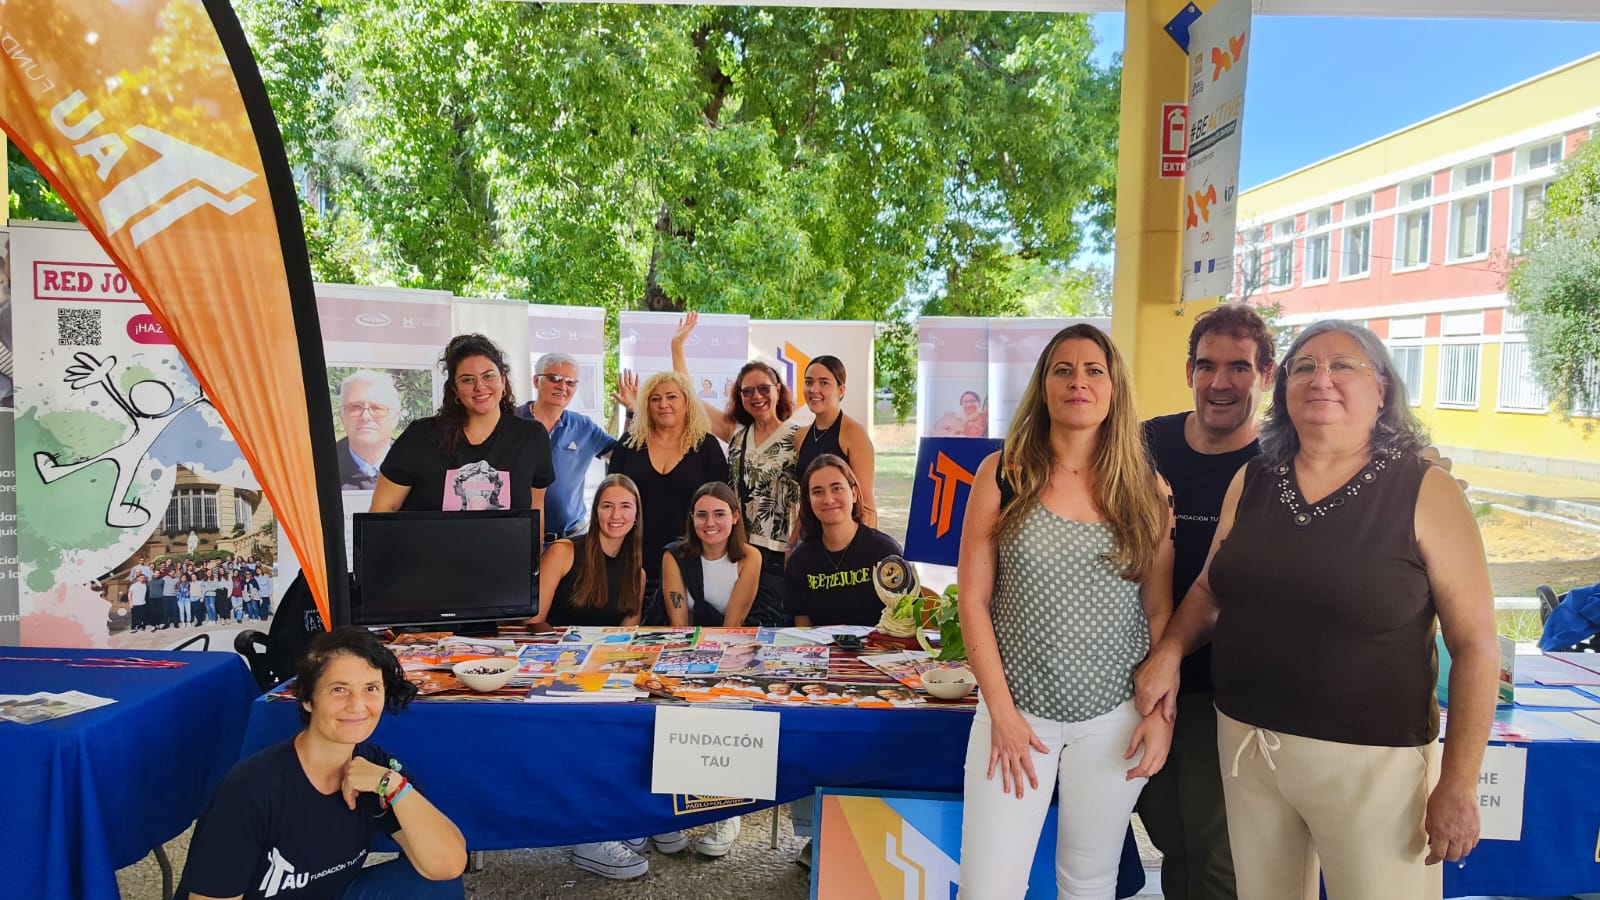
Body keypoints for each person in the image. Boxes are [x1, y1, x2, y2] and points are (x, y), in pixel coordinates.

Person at [1135, 319, 1498, 900]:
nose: (1320, 378)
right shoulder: (1252, 478)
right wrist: (1170, 652)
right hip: (1248, 745)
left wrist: (1458, 779)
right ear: (1283, 390)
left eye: (1342, 365)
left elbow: (1476, 644)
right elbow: (1208, 589)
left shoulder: (1425, 490)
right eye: (1305, 366)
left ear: (1381, 390)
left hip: (1372, 763)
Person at [955, 323, 1174, 899]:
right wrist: (1000, 712)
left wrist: (1160, 713)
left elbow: (1158, 610)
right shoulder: (1002, 474)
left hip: (1113, 717)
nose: (1079, 381)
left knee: (1089, 879)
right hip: (1015, 713)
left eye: (1093, 370)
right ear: (1044, 385)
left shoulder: (1145, 489)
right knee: (988, 885)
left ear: (1113, 387)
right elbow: (973, 600)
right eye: (1063, 369)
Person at [1134, 303, 1275, 900]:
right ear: (1189, 371)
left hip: (1223, 692)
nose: (1221, 383)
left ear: (1265, 376)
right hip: (1139, 678)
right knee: (1170, 831)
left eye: (1239, 368)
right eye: (1208, 366)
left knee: (1216, 851)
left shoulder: (1278, 467)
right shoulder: (1147, 443)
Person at [175, 627, 465, 900]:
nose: (357, 705)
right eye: (339, 689)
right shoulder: (249, 792)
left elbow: (448, 865)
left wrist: (393, 786)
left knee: (433, 885)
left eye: (371, 688)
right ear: (307, 699)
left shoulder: (374, 768)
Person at [672, 312, 796, 625]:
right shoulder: (737, 432)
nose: (756, 396)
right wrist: (677, 348)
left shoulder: (799, 435)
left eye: (764, 388)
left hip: (779, 553)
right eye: (747, 391)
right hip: (738, 548)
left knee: (768, 633)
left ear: (778, 389)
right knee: (732, 630)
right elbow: (691, 400)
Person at [372, 334, 554, 525]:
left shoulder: (531, 437)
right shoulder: (421, 436)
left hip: (505, 555)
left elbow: (536, 510)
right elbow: (382, 510)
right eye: (467, 380)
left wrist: (534, 553)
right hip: (427, 555)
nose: (480, 386)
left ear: (503, 380)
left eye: (488, 376)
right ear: (455, 389)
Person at [606, 370, 728, 621]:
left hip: (691, 559)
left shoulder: (706, 446)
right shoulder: (629, 443)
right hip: (634, 559)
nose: (663, 404)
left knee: (682, 634)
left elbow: (721, 506)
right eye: (655, 399)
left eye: (671, 397)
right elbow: (611, 498)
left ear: (687, 403)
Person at [514, 353, 634, 541]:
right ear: (536, 381)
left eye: (570, 382)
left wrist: (631, 413)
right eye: (554, 378)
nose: (562, 387)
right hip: (519, 538)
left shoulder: (583, 427)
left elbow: (623, 454)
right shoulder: (510, 421)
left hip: (572, 540)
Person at [784, 454, 903, 628]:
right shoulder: (800, 561)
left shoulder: (884, 550)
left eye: (837, 488)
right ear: (808, 501)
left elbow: (908, 623)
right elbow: (804, 635)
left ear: (853, 493)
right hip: (822, 653)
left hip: (880, 651)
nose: (828, 499)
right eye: (817, 492)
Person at [528, 475, 646, 630]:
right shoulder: (562, 553)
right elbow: (532, 624)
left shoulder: (637, 575)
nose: (616, 515)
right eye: (607, 506)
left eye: (625, 506)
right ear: (596, 513)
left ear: (636, 515)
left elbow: (627, 635)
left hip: (606, 652)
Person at [661, 482, 761, 628]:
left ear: (735, 516)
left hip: (727, 642)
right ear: (692, 518)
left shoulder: (750, 557)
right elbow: (678, 625)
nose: (710, 523)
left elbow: (732, 624)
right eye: (702, 515)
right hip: (686, 642)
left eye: (719, 514)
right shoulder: (674, 556)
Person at [794, 355, 878, 528]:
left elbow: (867, 505)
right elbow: (805, 503)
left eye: (824, 383)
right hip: (811, 540)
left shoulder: (854, 434)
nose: (814, 389)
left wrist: (863, 549)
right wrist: (792, 545)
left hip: (844, 541)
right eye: (809, 382)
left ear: (841, 389)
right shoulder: (801, 436)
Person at [336, 369, 403, 491]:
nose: (365, 417)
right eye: (355, 407)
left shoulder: (415, 466)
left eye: (377, 408)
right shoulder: (320, 468)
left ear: (395, 418)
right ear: (342, 415)